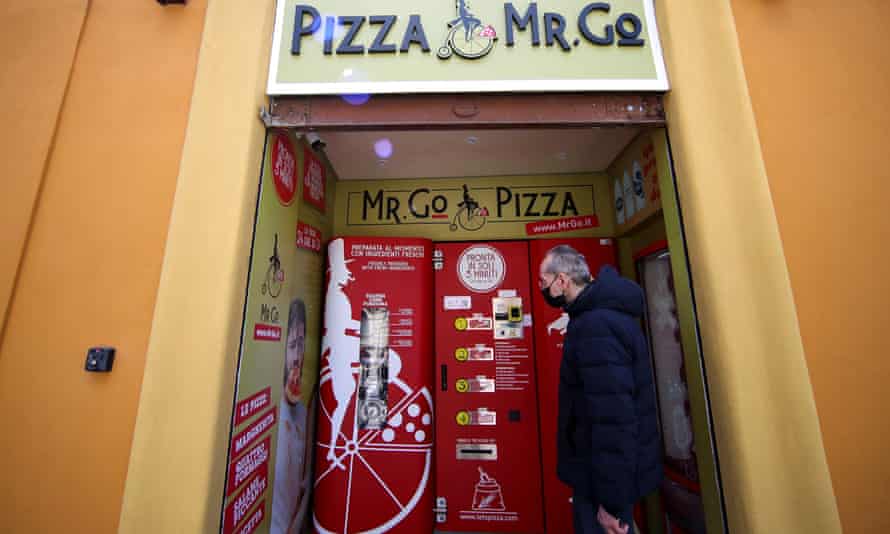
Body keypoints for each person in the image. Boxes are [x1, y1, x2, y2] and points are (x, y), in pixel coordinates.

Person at [538, 245, 662, 534]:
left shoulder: (596, 326)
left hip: (602, 484)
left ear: (562, 281)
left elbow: (613, 420)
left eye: (542, 282)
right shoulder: (600, 316)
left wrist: (611, 503)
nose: (541, 288)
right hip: (601, 475)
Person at [271, 299, 312, 534]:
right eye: (292, 345)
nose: (297, 356)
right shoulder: (271, 414)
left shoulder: (302, 412)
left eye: (301, 344)